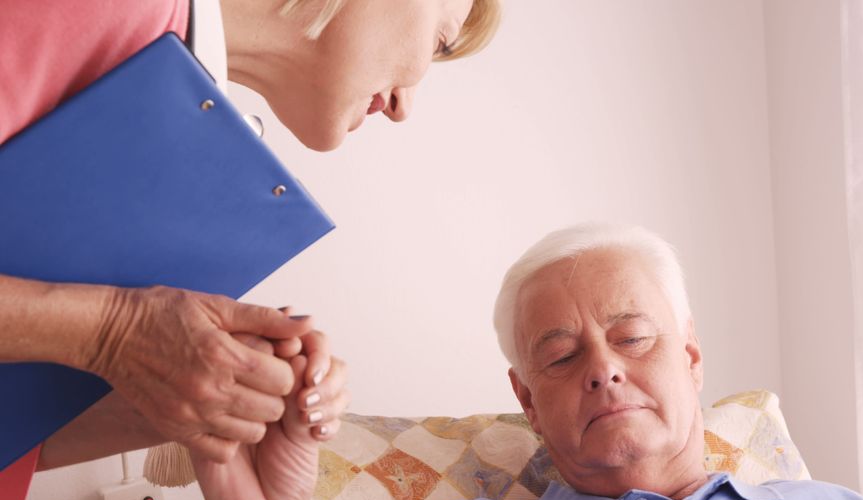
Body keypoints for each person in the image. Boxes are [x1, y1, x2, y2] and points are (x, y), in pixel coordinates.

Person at [199, 223, 863, 500]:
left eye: (632, 338)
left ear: (690, 358)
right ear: (527, 402)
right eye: (560, 355)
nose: (602, 369)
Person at [0, 0, 501, 473]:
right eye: (439, 41)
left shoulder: (179, 126)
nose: (402, 107)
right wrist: (110, 333)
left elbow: (17, 434)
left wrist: (196, 396)